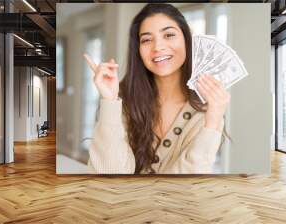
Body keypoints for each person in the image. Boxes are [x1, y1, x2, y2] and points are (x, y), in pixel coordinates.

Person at [83, 3, 230, 174]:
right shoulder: (123, 101)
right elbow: (110, 174)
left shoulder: (206, 110)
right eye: (146, 39)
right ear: (138, 50)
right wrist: (110, 101)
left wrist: (212, 123)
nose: (158, 47)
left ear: (186, 40)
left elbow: (188, 184)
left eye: (168, 35)